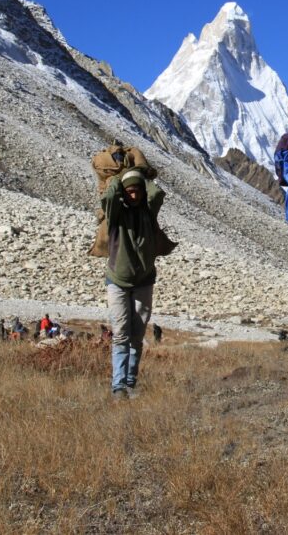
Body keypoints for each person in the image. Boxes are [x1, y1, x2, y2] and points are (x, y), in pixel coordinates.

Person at [102, 166, 173, 400]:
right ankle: (118, 386)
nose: (134, 195)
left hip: (144, 281)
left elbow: (157, 195)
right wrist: (117, 178)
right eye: (129, 191)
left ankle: (131, 382)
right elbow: (110, 196)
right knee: (121, 333)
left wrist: (142, 175)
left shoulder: (148, 213)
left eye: (138, 191)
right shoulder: (115, 215)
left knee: (137, 334)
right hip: (118, 282)